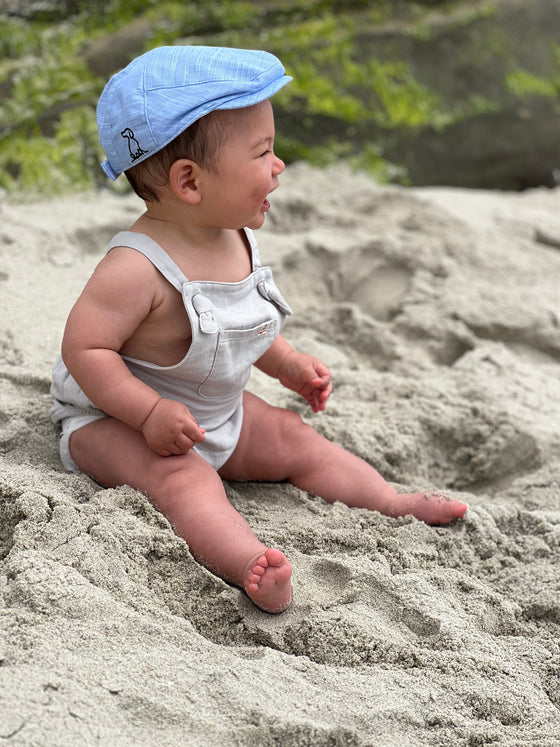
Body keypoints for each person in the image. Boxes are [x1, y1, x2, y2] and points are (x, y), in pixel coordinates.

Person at [50, 46, 467, 614]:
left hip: (215, 413)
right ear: (190, 182)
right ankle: (248, 562)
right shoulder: (135, 269)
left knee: (294, 438)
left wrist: (287, 361)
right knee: (187, 482)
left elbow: (237, 324)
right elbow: (84, 348)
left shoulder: (233, 234)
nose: (280, 166)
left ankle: (389, 501)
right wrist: (146, 412)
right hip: (114, 420)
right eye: (264, 152)